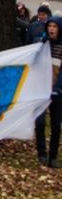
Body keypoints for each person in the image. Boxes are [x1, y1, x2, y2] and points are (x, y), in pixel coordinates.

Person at [36, 17, 62, 168]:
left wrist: (58, 87)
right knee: (39, 122)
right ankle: (41, 153)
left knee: (56, 124)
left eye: (55, 26)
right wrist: (39, 43)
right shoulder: (43, 44)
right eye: (49, 26)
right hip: (41, 89)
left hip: (57, 91)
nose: (51, 29)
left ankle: (53, 156)